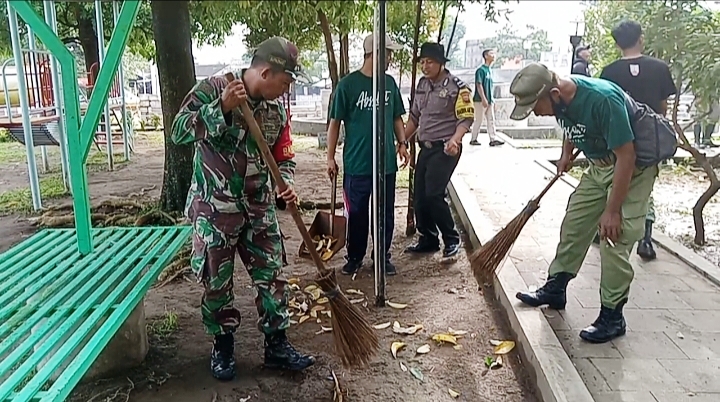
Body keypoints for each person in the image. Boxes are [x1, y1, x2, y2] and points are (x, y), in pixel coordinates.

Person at [171, 36, 315, 382]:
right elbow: (178, 131)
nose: (285, 91)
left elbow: (283, 154)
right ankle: (222, 345)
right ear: (266, 72)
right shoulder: (214, 88)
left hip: (258, 206)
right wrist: (219, 108)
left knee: (272, 275)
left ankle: (277, 344)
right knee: (216, 282)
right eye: (284, 83)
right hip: (215, 209)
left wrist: (287, 183)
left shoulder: (276, 110)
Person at [511, 63, 658, 344]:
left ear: (553, 93)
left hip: (631, 170)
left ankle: (612, 316)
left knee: (614, 237)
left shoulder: (603, 100)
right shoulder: (562, 100)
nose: (536, 113)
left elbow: (626, 157)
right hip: (598, 167)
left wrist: (612, 211)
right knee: (575, 223)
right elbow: (572, 123)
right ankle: (556, 287)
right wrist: (566, 153)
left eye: (535, 106)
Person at [326, 33, 410, 276]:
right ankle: (355, 256)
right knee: (358, 213)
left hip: (386, 164)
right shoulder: (348, 85)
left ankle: (382, 256)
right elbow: (335, 123)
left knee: (384, 213)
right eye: (388, 53)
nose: (390, 58)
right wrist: (330, 157)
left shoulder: (390, 84)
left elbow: (396, 117)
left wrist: (402, 142)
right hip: (357, 164)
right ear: (376, 53)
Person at [596, 19, 677, 261]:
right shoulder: (659, 68)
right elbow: (663, 107)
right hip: (650, 140)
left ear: (617, 43)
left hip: (618, 138)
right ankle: (646, 239)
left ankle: (605, 227)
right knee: (646, 189)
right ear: (640, 38)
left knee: (614, 181)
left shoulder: (609, 73)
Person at [404, 42, 474, 259]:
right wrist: (402, 140)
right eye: (422, 62)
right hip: (425, 147)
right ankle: (428, 238)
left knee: (434, 193)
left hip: (445, 148)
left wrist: (456, 139)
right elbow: (414, 117)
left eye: (430, 62)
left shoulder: (457, 87)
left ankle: (452, 239)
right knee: (420, 196)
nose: (425, 66)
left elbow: (466, 117)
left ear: (441, 63)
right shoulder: (422, 85)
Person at [470, 49, 504, 147]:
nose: (494, 56)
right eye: (491, 54)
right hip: (480, 100)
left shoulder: (490, 70)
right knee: (479, 120)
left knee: (491, 119)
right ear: (485, 56)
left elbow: (490, 87)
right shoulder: (480, 70)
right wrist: (483, 98)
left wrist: (492, 100)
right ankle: (473, 138)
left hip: (490, 100)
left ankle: (493, 139)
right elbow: (479, 85)